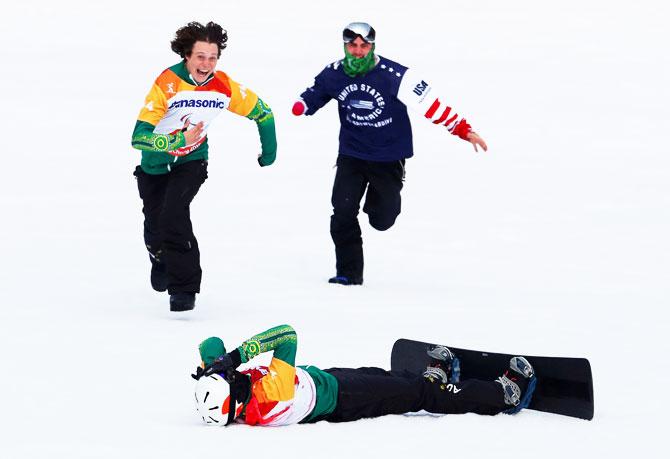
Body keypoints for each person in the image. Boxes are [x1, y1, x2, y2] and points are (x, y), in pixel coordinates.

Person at [292, 22, 488, 285]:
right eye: (353, 45)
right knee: (342, 210)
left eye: (364, 45)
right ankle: (348, 274)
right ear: (345, 46)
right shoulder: (335, 72)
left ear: (373, 46)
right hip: (352, 153)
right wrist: (304, 104)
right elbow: (318, 91)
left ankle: (378, 200)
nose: (358, 51)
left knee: (383, 220)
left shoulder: (395, 75)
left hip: (388, 156)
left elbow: (432, 105)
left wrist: (463, 130)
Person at [131, 21, 277, 311]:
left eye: (212, 57)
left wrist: (268, 152)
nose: (206, 64)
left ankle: (184, 291)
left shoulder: (223, 85)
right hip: (155, 165)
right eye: (200, 56)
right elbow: (139, 138)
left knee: (175, 213)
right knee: (155, 227)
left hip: (193, 160)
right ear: (187, 55)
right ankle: (159, 256)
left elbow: (263, 113)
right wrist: (172, 142)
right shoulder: (168, 84)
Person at [191, 324, 536, 426]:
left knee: (389, 378)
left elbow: (210, 343)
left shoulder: (237, 398)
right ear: (236, 399)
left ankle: (431, 378)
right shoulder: (268, 395)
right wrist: (234, 357)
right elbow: (287, 335)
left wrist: (214, 363)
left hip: (326, 380)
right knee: (416, 396)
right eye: (228, 379)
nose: (232, 375)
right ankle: (503, 395)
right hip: (344, 399)